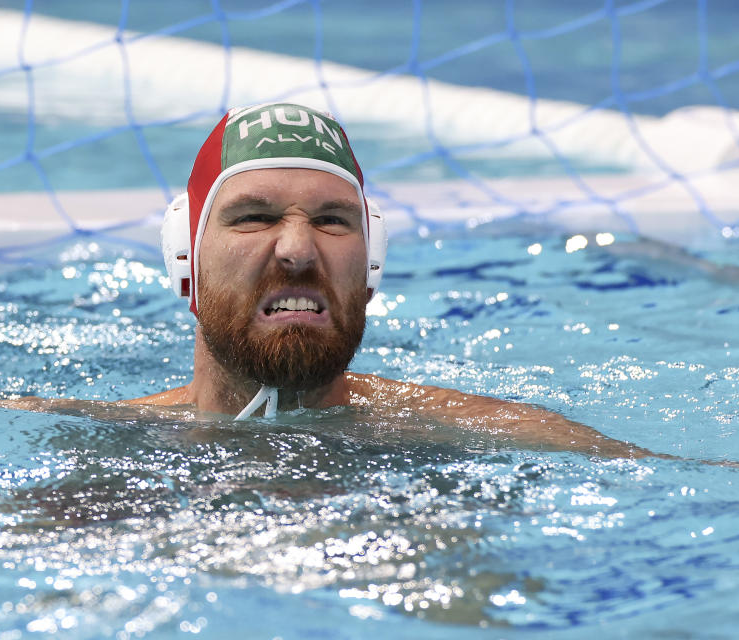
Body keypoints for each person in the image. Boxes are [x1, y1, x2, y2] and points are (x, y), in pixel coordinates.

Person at [115, 101, 650, 459]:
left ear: (372, 263)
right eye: (255, 217)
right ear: (185, 258)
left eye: (332, 221)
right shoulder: (106, 441)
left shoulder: (495, 438)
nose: (298, 251)